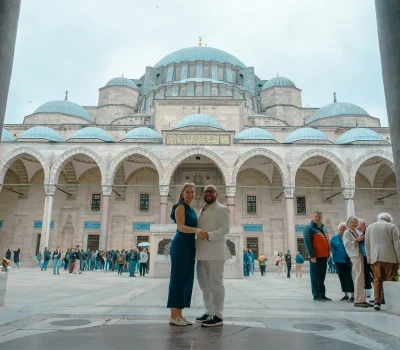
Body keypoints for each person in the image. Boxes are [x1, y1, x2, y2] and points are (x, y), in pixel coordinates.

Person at [195, 185, 230, 328]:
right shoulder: (202, 209)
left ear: (216, 194)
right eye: (206, 192)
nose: (208, 194)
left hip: (215, 252)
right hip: (201, 252)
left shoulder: (222, 209)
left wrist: (209, 235)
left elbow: (225, 229)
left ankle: (218, 315)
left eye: (211, 191)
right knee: (204, 284)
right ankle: (209, 311)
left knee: (215, 283)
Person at [167, 183, 200, 326]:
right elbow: (181, 227)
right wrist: (197, 231)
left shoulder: (191, 209)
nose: (190, 194)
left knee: (186, 279)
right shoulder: (180, 206)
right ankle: (174, 316)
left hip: (189, 246)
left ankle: (180, 314)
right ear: (182, 193)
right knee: (178, 279)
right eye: (188, 192)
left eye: (192, 192)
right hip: (180, 245)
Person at [365, 213, 400, 311]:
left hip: (375, 257)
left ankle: (377, 302)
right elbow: (396, 244)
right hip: (390, 257)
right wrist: (399, 259)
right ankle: (391, 302)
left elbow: (367, 243)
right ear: (388, 219)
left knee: (377, 280)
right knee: (391, 279)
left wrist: (369, 258)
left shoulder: (370, 227)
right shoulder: (392, 226)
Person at [343, 216, 371, 308]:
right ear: (349, 223)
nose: (354, 224)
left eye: (356, 222)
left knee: (361, 278)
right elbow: (347, 245)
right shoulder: (347, 232)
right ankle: (358, 300)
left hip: (361, 255)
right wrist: (356, 240)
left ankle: (362, 299)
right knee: (358, 277)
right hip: (355, 256)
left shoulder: (357, 231)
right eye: (353, 222)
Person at [304, 211, 331, 302]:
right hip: (316, 256)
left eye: (319, 217)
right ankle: (316, 295)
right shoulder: (309, 228)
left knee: (322, 276)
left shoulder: (323, 227)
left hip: (323, 255)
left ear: (321, 218)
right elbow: (307, 243)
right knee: (315, 276)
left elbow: (326, 241)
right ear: (313, 217)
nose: (318, 218)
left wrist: (328, 254)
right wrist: (312, 255)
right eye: (316, 216)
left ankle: (322, 294)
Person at [331, 222, 354, 302]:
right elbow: (331, 247)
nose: (342, 229)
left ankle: (353, 295)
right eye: (341, 227)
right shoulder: (334, 238)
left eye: (344, 228)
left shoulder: (348, 237)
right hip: (338, 260)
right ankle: (346, 295)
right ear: (338, 228)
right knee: (342, 278)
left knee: (349, 277)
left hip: (348, 260)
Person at [358, 219, 373, 299]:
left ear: (363, 224)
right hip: (365, 257)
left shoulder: (369, 231)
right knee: (366, 274)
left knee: (375, 275)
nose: (358, 228)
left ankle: (380, 295)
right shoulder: (360, 233)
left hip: (371, 257)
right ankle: (368, 292)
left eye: (359, 227)